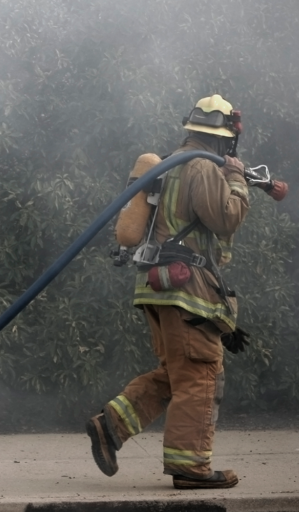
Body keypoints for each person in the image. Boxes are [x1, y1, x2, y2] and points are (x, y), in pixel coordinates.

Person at [87, 94, 250, 490]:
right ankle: (191, 467)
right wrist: (237, 178)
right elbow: (225, 218)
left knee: (178, 371)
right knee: (199, 374)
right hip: (187, 291)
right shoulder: (203, 167)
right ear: (223, 138)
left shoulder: (170, 164)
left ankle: (112, 425)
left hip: (160, 288)